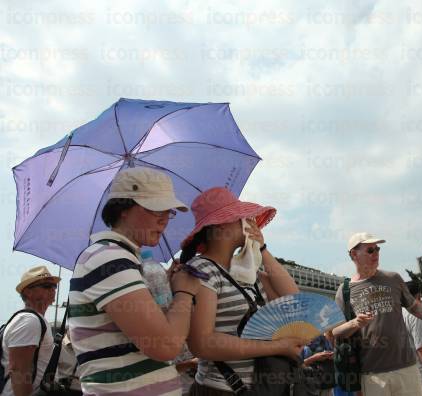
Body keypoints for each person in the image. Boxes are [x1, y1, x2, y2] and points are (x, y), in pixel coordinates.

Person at [69, 167, 201, 395]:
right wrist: (184, 293)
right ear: (123, 209)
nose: (163, 219)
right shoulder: (108, 259)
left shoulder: (126, 261)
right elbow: (165, 346)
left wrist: (166, 287)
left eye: (168, 211)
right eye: (154, 208)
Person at [181, 187, 303, 395]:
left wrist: (262, 250)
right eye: (240, 217)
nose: (248, 222)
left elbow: (296, 302)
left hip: (259, 388)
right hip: (220, 388)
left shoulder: (245, 272)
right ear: (221, 225)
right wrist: (279, 347)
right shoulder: (202, 270)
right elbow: (203, 343)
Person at [332, 232, 422, 396]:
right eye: (370, 250)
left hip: (407, 367)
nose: (376, 253)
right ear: (354, 254)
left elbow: (414, 307)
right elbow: (335, 331)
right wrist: (355, 323)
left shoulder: (393, 278)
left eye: (377, 249)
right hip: (371, 373)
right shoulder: (345, 291)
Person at [1, 266, 59, 396]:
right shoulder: (30, 321)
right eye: (46, 285)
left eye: (54, 286)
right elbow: (19, 370)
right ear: (28, 292)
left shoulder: (35, 320)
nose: (52, 289)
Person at [302, 332, 336, 396]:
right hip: (309, 386)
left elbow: (332, 351)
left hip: (326, 382)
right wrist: (314, 358)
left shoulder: (323, 338)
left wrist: (330, 355)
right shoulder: (299, 342)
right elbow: (296, 366)